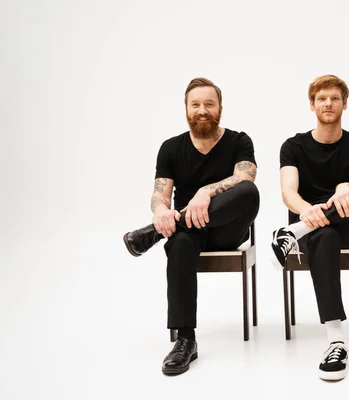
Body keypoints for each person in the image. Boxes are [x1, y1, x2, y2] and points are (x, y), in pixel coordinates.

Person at [122, 77, 259, 375]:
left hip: (228, 231)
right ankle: (185, 340)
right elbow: (160, 195)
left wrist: (206, 192)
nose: (202, 110)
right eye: (195, 104)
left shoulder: (239, 141)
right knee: (181, 242)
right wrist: (161, 214)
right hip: (189, 234)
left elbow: (245, 177)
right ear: (186, 109)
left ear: (220, 108)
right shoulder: (171, 148)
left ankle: (153, 235)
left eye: (209, 104)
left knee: (249, 193)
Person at [270, 75, 349, 381]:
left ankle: (290, 235)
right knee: (325, 233)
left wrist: (344, 187)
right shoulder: (293, 146)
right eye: (322, 98)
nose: (328, 104)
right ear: (312, 104)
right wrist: (308, 211)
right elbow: (288, 192)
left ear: (345, 104)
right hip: (313, 227)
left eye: (335, 98)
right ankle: (336, 341)